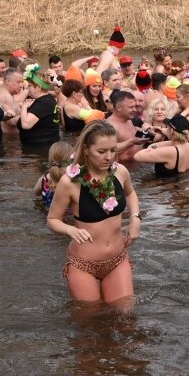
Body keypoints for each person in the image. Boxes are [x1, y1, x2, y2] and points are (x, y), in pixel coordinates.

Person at [46, 120, 141, 304]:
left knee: (126, 318)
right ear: (87, 150)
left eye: (113, 150)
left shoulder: (120, 172)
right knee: (90, 322)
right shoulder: (70, 182)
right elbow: (52, 220)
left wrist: (136, 218)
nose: (109, 157)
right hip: (83, 264)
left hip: (116, 259)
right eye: (102, 151)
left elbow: (130, 193)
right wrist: (70, 230)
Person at [19, 64, 61, 146]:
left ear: (38, 87)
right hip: (47, 146)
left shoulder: (43, 103)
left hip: (39, 150)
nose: (27, 87)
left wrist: (24, 106)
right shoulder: (49, 99)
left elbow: (25, 125)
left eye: (30, 85)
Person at [34, 141, 74, 211]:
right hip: (71, 219)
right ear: (70, 160)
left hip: (48, 217)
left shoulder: (43, 179)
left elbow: (35, 193)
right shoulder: (74, 179)